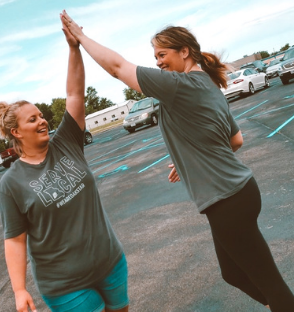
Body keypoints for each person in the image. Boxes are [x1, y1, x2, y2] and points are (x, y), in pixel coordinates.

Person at [60, 10, 294, 312]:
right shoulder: (208, 85)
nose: (157, 62)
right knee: (233, 273)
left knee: (271, 283)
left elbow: (118, 68)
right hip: (236, 193)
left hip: (228, 199)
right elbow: (236, 140)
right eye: (154, 56)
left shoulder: (180, 86)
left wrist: (80, 38)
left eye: (162, 54)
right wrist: (191, 159)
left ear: (184, 51)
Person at [0, 18, 129, 312]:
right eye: (33, 119)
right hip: (65, 285)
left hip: (110, 262)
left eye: (41, 115)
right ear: (16, 132)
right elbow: (15, 240)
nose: (42, 120)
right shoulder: (11, 184)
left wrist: (74, 48)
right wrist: (19, 289)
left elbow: (74, 94)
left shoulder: (67, 141)